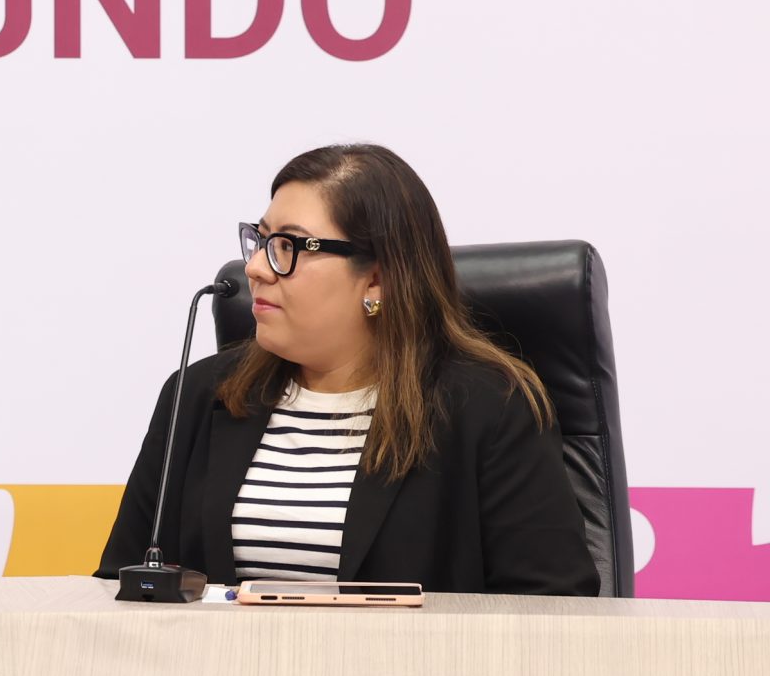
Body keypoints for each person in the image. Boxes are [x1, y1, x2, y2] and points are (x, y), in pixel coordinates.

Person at [99, 143, 596, 595]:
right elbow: (121, 585)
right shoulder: (199, 395)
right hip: (221, 668)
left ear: (377, 279)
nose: (255, 268)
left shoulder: (490, 408)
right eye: (261, 240)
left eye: (289, 247)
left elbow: (552, 610)